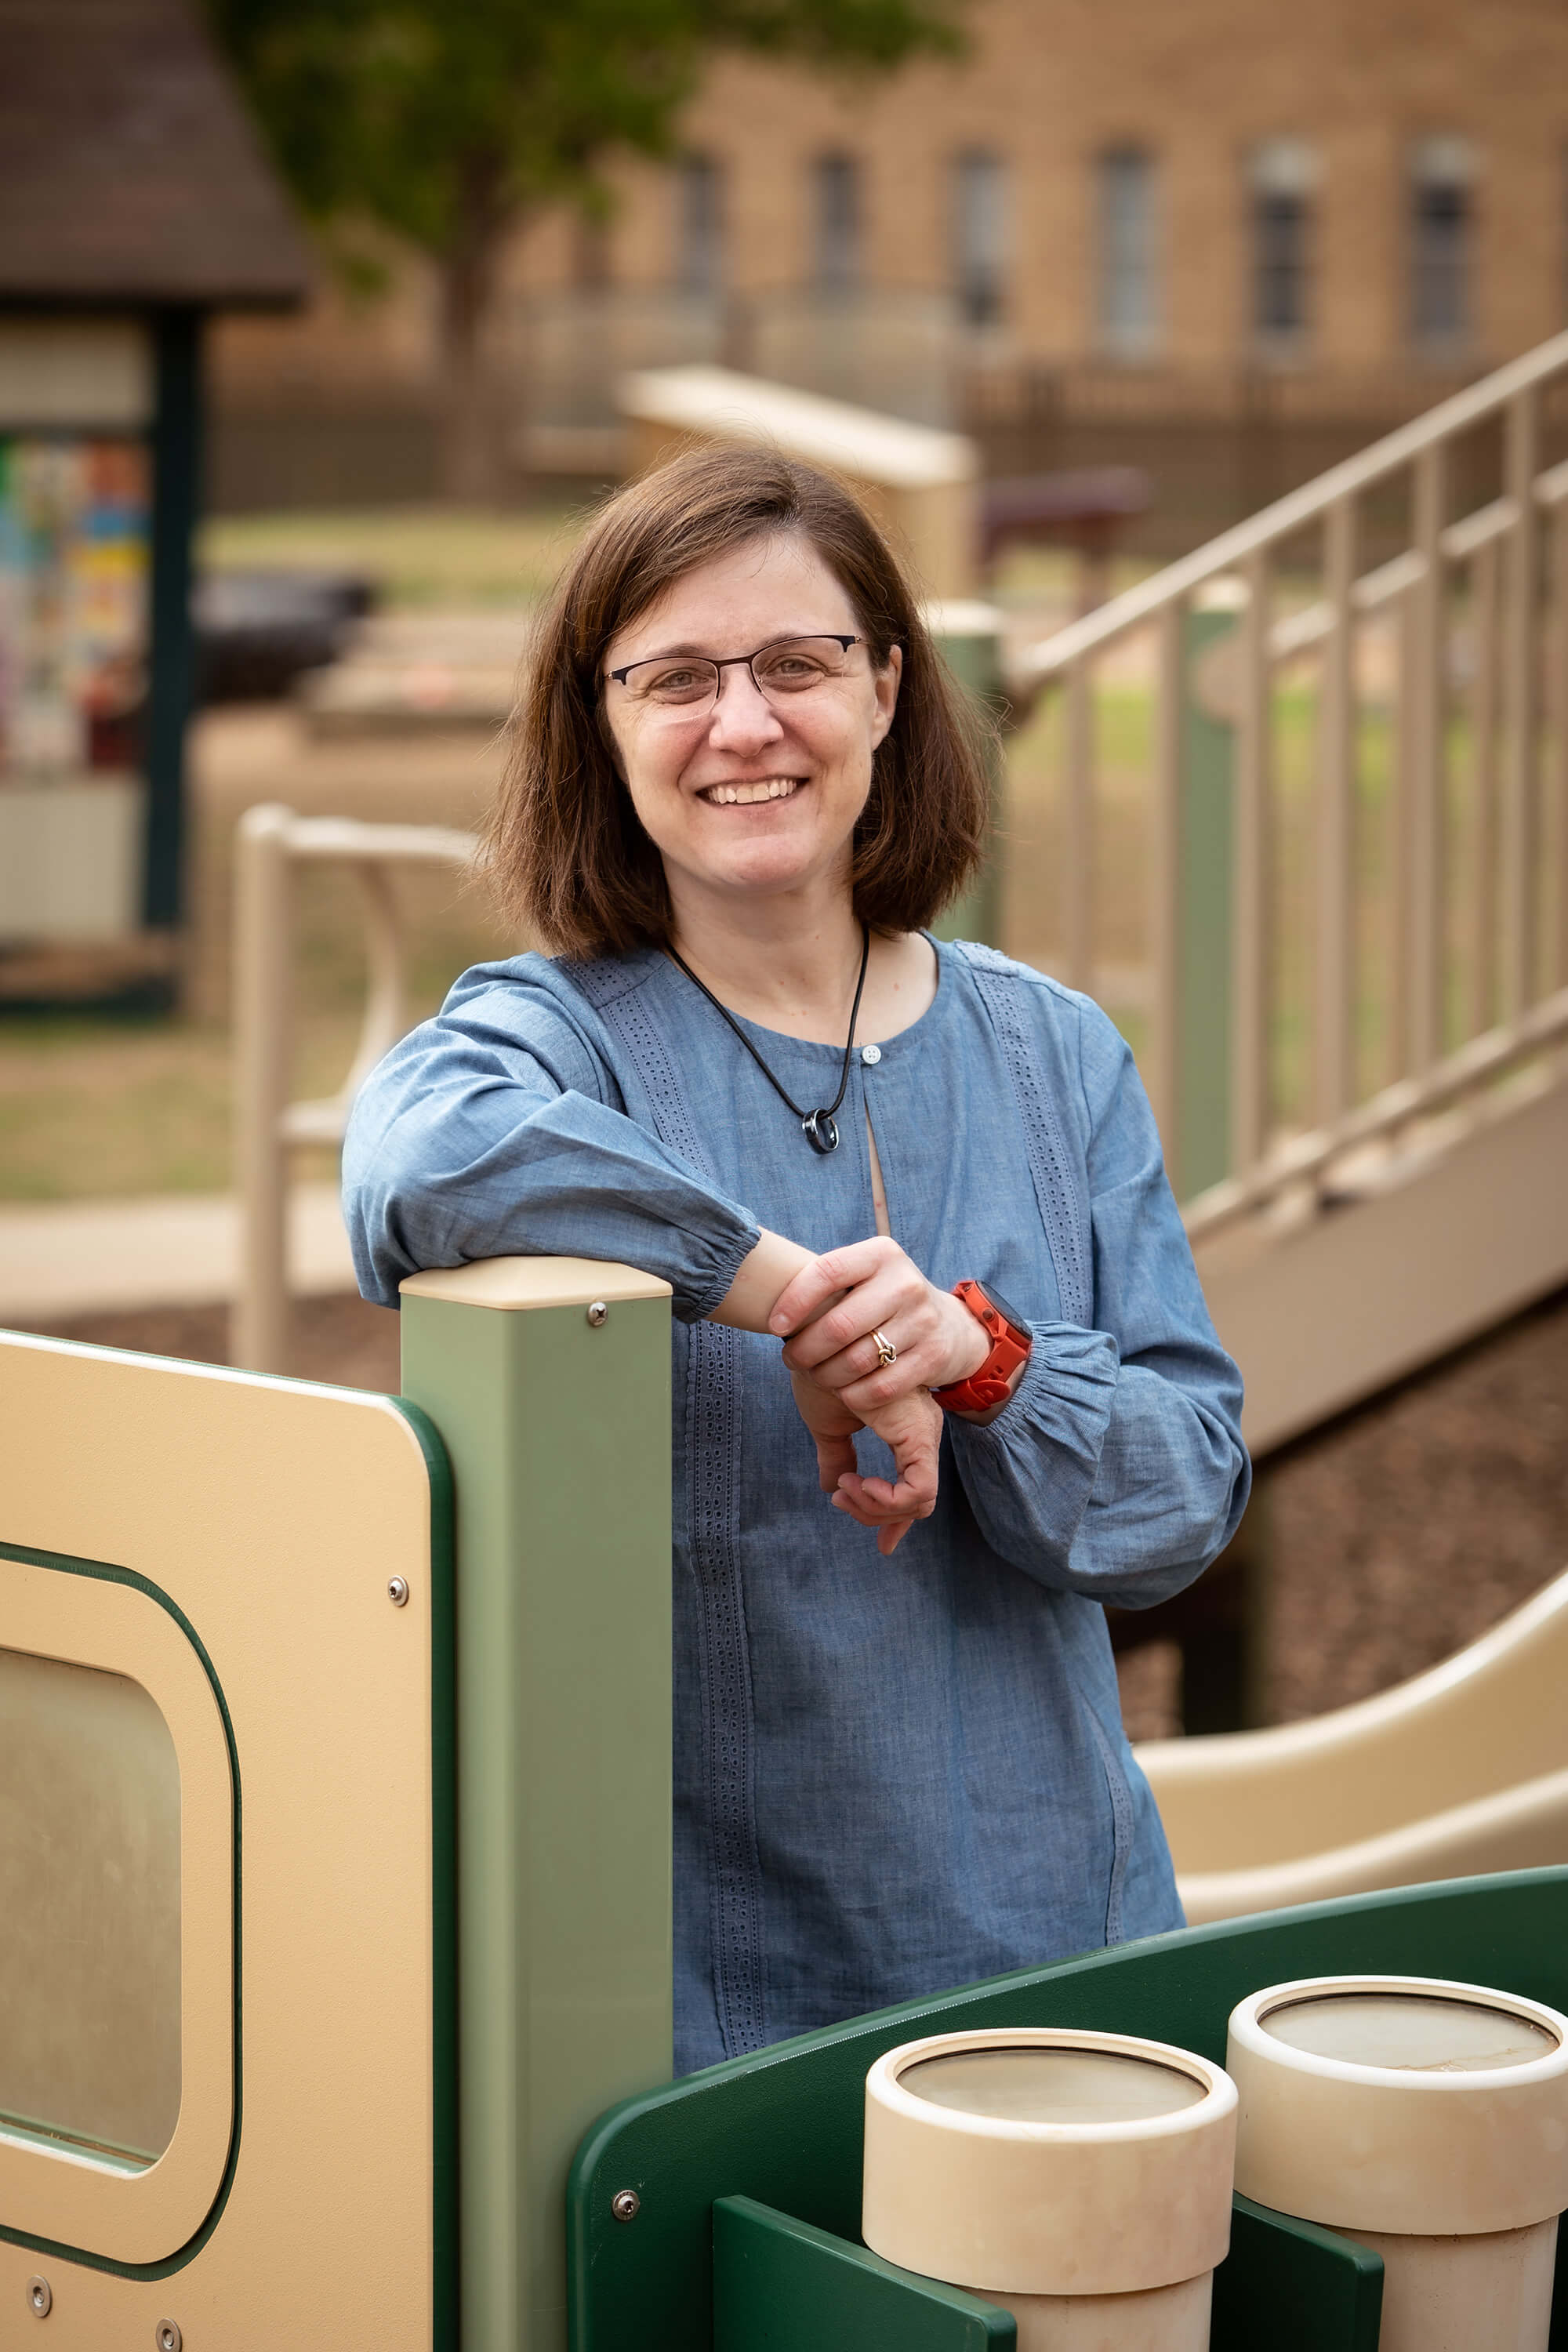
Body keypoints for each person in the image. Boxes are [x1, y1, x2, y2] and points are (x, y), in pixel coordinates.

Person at [343, 445, 1249, 2073]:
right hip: (701, 2016)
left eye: (798, 663)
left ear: (890, 691)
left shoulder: (1055, 1054)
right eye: (675, 677)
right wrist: (789, 1293)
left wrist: (970, 1356)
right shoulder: (554, 1042)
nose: (743, 724)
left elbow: (1178, 1502)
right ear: (600, 726)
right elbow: (417, 1164)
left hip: (1065, 1966)